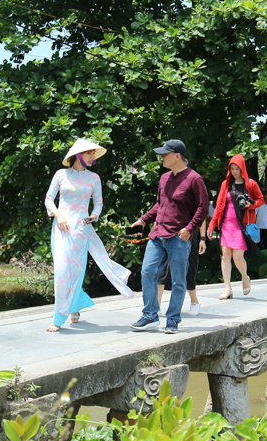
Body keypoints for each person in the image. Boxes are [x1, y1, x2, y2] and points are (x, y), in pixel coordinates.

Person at [44, 138, 135, 333]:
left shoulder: (94, 179)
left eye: (94, 153)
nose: (93, 157)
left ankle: (61, 315)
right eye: (90, 153)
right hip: (61, 227)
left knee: (75, 271)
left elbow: (99, 203)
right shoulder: (61, 175)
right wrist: (58, 215)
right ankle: (67, 310)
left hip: (81, 228)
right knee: (61, 270)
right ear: (78, 155)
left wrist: (94, 215)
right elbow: (49, 199)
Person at [130, 139, 208, 334]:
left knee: (179, 281)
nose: (162, 157)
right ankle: (150, 315)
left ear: (177, 156)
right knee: (147, 272)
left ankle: (173, 319)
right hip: (158, 235)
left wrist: (189, 229)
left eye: (165, 154)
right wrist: (143, 220)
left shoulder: (194, 179)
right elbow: (159, 205)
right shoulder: (164, 178)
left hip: (178, 237)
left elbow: (202, 208)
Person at [209, 154, 265, 299]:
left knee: (237, 255)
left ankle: (245, 277)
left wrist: (251, 204)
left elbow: (261, 200)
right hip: (227, 223)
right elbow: (219, 205)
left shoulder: (251, 184)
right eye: (232, 169)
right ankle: (227, 288)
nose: (234, 172)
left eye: (237, 169)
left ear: (242, 169)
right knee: (226, 254)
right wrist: (212, 225)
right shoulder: (226, 184)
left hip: (242, 225)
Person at [155, 218, 208, 316]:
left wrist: (202, 239)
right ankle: (156, 306)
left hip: (188, 235)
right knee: (161, 270)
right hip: (167, 234)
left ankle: (194, 301)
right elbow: (159, 213)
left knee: (189, 271)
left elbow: (202, 217)